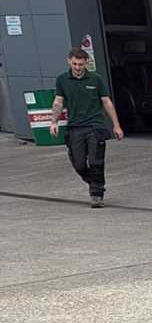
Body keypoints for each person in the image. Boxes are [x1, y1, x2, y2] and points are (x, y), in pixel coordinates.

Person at [50, 47, 124, 207]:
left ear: (86, 63)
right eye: (75, 64)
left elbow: (106, 102)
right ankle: (94, 182)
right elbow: (58, 101)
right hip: (75, 127)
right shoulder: (62, 79)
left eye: (81, 64)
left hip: (95, 126)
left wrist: (116, 126)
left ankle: (97, 194)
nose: (77, 68)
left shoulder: (95, 79)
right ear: (69, 61)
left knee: (96, 161)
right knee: (79, 164)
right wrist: (54, 121)